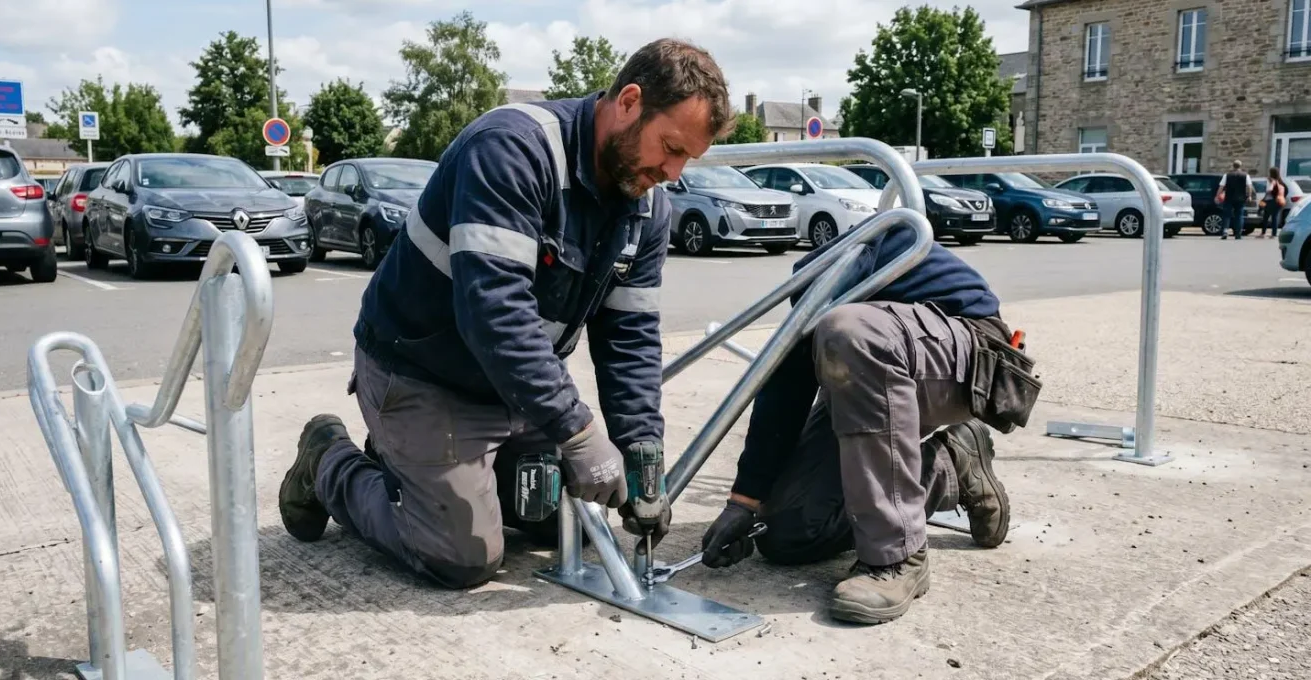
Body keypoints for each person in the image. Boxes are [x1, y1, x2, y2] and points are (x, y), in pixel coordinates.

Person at [277, 38, 734, 589]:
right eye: (670, 147)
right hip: (423, 375)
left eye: (687, 158)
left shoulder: (646, 203)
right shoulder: (511, 149)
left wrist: (641, 454)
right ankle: (330, 460)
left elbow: (629, 336)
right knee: (462, 555)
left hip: (515, 389)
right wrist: (579, 433)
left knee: (567, 521)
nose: (674, 172)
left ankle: (419, 468)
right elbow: (494, 312)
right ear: (630, 101)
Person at [697, 222, 1040, 625]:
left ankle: (897, 558)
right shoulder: (814, 286)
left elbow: (849, 342)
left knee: (849, 332)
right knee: (787, 532)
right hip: (877, 365)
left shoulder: (850, 265)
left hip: (967, 350)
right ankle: (950, 464)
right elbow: (784, 391)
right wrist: (745, 503)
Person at [1218, 160, 1254, 240]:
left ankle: (1225, 231)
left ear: (1233, 166)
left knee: (1227, 215)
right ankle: (1238, 233)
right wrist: (1249, 196)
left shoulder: (1227, 175)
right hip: (1240, 198)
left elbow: (1221, 186)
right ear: (1240, 166)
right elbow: (1249, 186)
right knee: (1239, 216)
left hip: (1229, 197)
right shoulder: (1245, 175)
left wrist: (1218, 195)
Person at [1259, 167, 1287, 239]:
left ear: (1271, 173)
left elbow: (1269, 190)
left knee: (1266, 217)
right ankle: (1273, 234)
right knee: (1274, 217)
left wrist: (1269, 191)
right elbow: (1286, 190)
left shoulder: (1273, 181)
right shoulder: (1281, 182)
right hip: (1278, 202)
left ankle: (1263, 233)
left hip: (1271, 202)